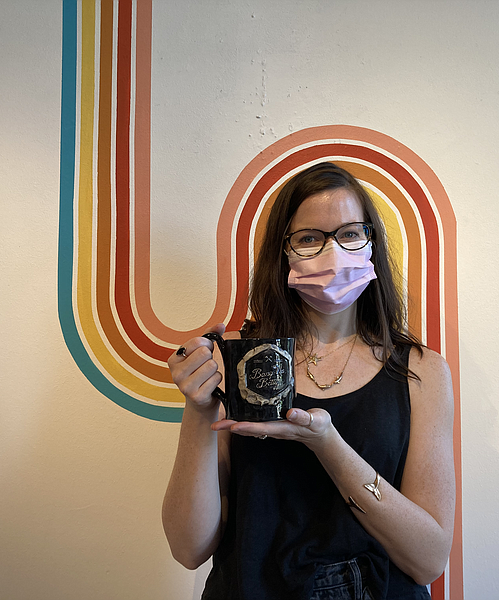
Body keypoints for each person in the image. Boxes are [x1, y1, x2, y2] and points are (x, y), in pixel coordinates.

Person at [162, 162, 455, 599]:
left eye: (350, 233)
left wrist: (327, 444)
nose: (332, 252)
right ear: (284, 251)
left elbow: (428, 559)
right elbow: (188, 547)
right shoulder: (238, 359)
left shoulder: (419, 370)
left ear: (370, 242)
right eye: (309, 238)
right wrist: (198, 408)